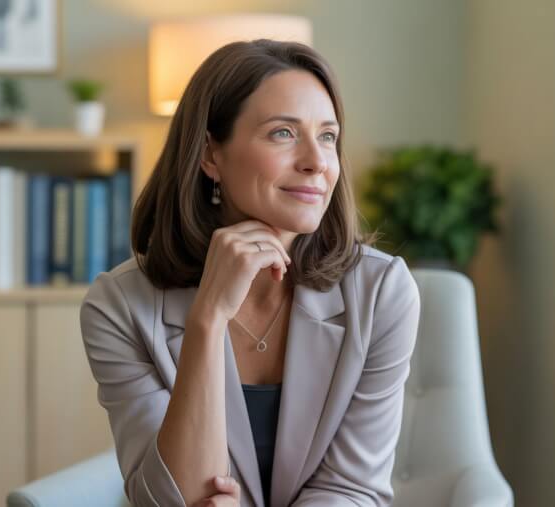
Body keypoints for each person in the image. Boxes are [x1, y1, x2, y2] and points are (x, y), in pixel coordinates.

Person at [80, 39, 421, 507]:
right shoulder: (119, 306)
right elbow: (168, 499)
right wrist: (207, 320)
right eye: (283, 133)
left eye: (327, 136)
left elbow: (351, 489)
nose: (317, 162)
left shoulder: (381, 291)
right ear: (210, 155)